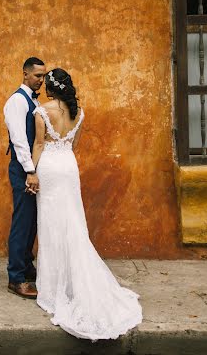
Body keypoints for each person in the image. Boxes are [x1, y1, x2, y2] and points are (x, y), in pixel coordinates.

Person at [30, 68, 143, 340]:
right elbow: (74, 145)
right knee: (73, 222)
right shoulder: (79, 113)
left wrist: (31, 172)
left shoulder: (41, 112)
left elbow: (38, 144)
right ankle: (72, 282)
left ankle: (54, 288)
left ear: (51, 88)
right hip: (68, 167)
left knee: (51, 224)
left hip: (49, 168)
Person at [4, 57, 46, 299]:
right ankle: (16, 278)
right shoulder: (17, 102)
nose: (41, 80)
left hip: (31, 169)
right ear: (25, 74)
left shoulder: (31, 99)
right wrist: (30, 171)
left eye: (43, 76)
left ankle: (26, 266)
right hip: (22, 169)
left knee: (31, 221)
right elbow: (20, 141)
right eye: (37, 76)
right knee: (22, 221)